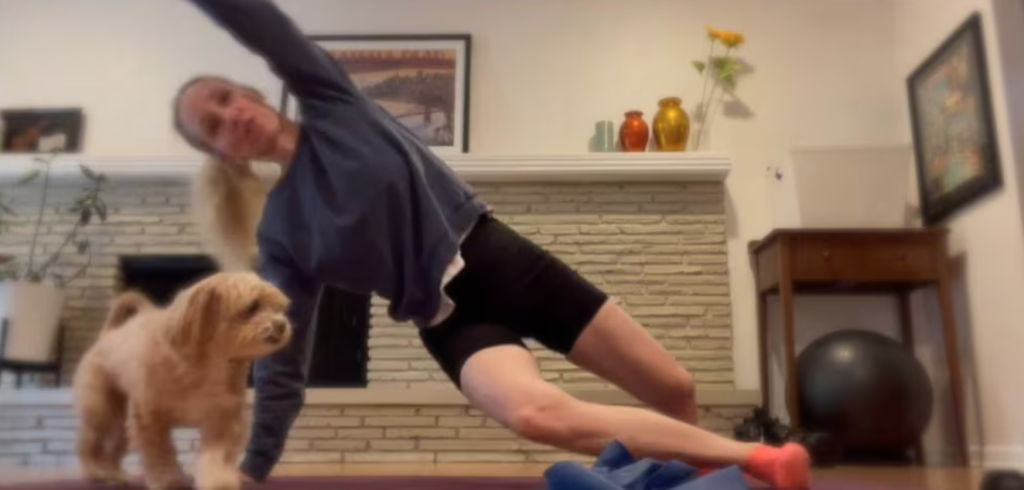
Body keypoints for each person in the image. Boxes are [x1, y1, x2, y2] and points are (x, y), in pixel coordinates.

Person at [170, 1, 811, 489]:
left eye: (227, 98)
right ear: (220, 155)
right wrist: (252, 472)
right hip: (448, 321)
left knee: (674, 388)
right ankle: (760, 460)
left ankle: (683, 481)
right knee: (533, 413)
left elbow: (258, 22)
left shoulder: (333, 101)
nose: (231, 116)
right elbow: (284, 362)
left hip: (502, 261)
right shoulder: (282, 230)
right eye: (212, 126)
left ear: (251, 92)